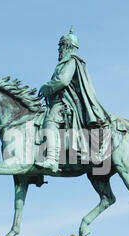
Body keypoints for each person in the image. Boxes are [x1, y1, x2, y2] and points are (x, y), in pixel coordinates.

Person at [35, 27, 111, 172]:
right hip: (61, 101)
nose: (59, 50)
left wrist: (46, 87)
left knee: (50, 122)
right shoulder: (69, 61)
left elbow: (63, 81)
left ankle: (51, 159)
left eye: (60, 46)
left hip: (65, 103)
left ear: (67, 46)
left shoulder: (71, 61)